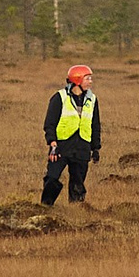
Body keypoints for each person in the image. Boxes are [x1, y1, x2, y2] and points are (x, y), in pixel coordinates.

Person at [40, 63, 101, 206]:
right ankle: (45, 207)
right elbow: (50, 123)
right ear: (77, 80)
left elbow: (95, 125)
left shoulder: (92, 100)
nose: (91, 82)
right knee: (52, 178)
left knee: (78, 183)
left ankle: (76, 211)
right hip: (61, 146)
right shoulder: (59, 97)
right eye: (88, 78)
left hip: (82, 147)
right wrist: (52, 143)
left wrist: (96, 148)